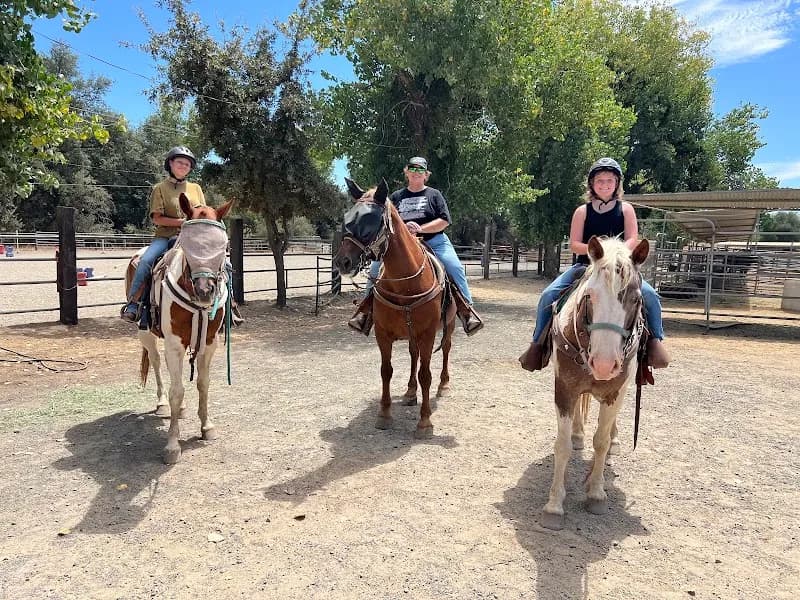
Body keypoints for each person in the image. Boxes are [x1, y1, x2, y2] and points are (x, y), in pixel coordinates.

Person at [518, 157, 670, 371]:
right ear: (592, 184)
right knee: (548, 295)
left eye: (609, 180)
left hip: (620, 268)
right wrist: (598, 252)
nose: (605, 184)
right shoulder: (582, 211)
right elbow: (575, 244)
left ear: (617, 183)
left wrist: (613, 253)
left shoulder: (626, 209)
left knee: (650, 295)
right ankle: (537, 345)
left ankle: (655, 342)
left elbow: (632, 240)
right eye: (600, 180)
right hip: (586, 265)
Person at [348, 156, 483, 336]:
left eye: (420, 170)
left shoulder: (434, 195)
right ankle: (365, 313)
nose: (416, 172)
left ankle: (467, 312)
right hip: (402, 244)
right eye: (412, 169)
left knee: (454, 266)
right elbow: (385, 222)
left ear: (426, 175)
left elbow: (444, 221)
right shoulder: (396, 197)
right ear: (407, 172)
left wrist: (421, 228)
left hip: (434, 240)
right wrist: (404, 230)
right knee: (375, 269)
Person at [121, 146, 243, 326]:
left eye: (187, 164)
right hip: (165, 237)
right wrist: (182, 223)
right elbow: (157, 218)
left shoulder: (195, 188)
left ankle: (229, 306)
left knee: (226, 264)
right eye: (180, 162)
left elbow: (202, 212)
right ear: (170, 163)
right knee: (146, 261)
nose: (183, 166)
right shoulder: (160, 188)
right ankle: (134, 304)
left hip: (193, 239)